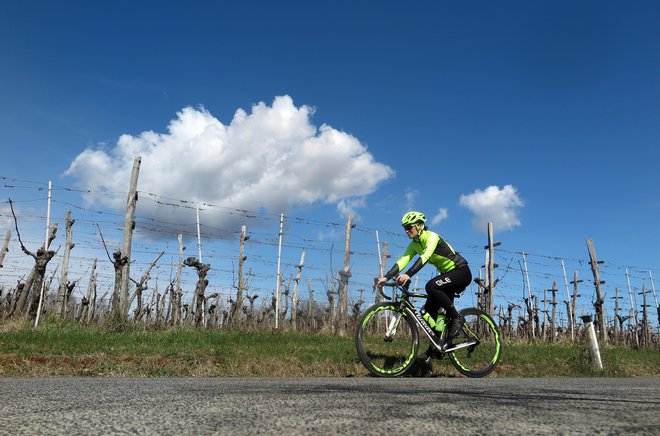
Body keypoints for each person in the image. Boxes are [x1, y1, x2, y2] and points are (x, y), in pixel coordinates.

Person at [376, 211, 472, 362]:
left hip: (461, 271)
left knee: (431, 286)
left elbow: (425, 257)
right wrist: (386, 277)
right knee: (428, 311)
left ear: (420, 226)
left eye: (409, 227)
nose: (407, 231)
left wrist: (408, 275)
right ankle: (435, 349)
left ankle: (457, 318)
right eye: (405, 228)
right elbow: (403, 260)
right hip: (447, 276)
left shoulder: (431, 237)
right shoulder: (414, 244)